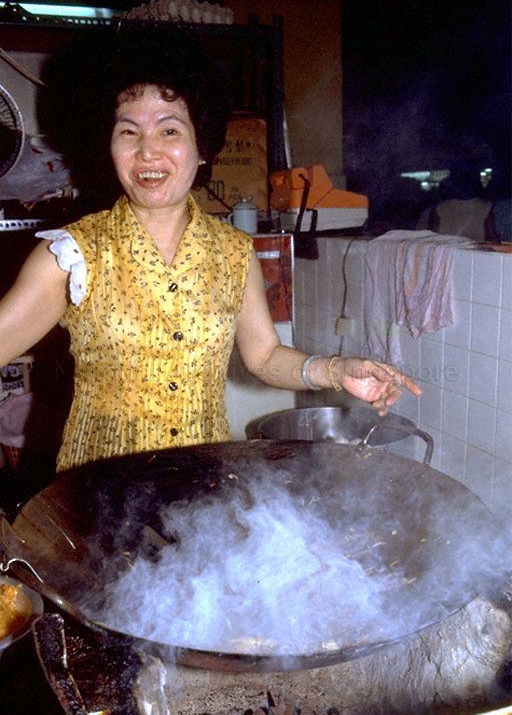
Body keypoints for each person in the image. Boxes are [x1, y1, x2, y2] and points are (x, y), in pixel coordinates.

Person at [0, 33, 421, 473]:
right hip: (99, 494)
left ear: (202, 148)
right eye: (129, 131)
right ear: (109, 146)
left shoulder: (234, 252)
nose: (148, 150)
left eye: (169, 129)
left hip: (203, 490)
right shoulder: (70, 256)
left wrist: (336, 371)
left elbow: (264, 356)